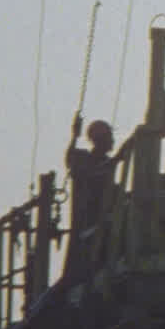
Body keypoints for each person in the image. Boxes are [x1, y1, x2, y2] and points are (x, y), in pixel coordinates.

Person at [62, 120, 119, 283]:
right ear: (101, 140)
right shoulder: (87, 160)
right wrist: (74, 136)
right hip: (89, 222)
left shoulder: (105, 162)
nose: (112, 140)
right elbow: (71, 159)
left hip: (98, 222)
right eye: (109, 136)